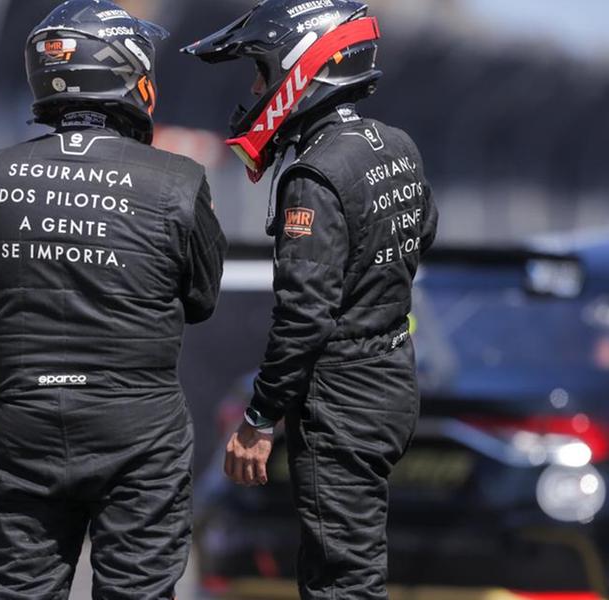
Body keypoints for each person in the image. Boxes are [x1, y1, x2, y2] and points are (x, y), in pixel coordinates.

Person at [0, 1, 226, 598]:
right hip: (138, 429)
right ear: (129, 74)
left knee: (16, 590)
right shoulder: (178, 181)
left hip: (23, 419)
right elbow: (202, 298)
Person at [184, 1, 438, 598]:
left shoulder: (314, 173)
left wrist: (257, 419)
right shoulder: (396, 144)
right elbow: (422, 230)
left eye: (261, 73)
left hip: (342, 397)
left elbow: (303, 316)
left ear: (303, 68)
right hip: (393, 378)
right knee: (350, 563)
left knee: (339, 579)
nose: (254, 90)